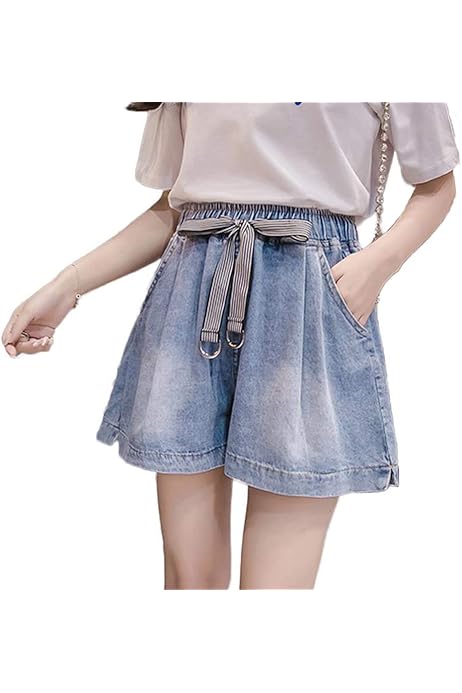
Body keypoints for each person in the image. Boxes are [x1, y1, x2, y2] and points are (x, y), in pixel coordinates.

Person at [2, 102, 459, 590]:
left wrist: (379, 263)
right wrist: (67, 284)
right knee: (190, 581)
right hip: (193, 291)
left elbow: (437, 181)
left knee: (275, 588)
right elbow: (176, 207)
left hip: (306, 296)